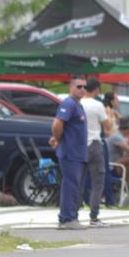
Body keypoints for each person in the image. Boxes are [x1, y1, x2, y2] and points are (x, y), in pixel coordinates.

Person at [49, 77, 88, 229]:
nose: (82, 89)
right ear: (71, 87)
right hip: (70, 152)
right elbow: (58, 123)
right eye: (79, 86)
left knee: (75, 186)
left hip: (78, 153)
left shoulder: (78, 105)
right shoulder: (69, 103)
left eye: (85, 87)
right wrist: (57, 138)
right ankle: (67, 219)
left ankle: (72, 217)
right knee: (70, 185)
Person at [80, 77, 111, 227]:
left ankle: (73, 213)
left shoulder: (78, 103)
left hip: (80, 145)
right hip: (94, 143)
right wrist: (109, 114)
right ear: (97, 90)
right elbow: (108, 126)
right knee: (98, 180)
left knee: (78, 180)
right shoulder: (98, 105)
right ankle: (94, 217)